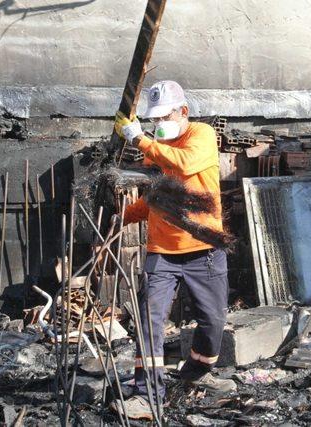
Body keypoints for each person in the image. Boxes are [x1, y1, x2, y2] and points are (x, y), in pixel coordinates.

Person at [110, 80, 236, 421]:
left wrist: (139, 139)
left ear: (183, 112)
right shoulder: (161, 148)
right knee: (149, 323)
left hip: (204, 250)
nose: (157, 125)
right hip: (162, 253)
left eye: (163, 117)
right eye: (152, 121)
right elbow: (159, 197)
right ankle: (146, 393)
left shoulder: (201, 136)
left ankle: (195, 371)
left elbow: (185, 164)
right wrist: (121, 217)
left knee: (212, 322)